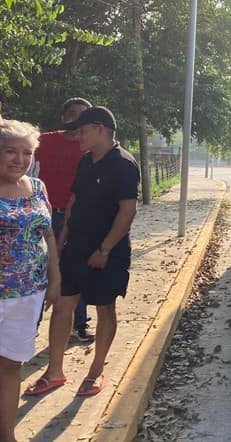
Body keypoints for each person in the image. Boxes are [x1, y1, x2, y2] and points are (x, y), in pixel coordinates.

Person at [25, 107, 139, 398]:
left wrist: (104, 249)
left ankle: (96, 370)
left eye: (83, 130)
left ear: (100, 129)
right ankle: (54, 372)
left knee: (104, 307)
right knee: (63, 305)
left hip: (106, 253)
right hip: (75, 247)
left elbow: (127, 211)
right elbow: (74, 200)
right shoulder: (86, 161)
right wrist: (62, 240)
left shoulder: (123, 164)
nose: (77, 137)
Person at [0, 120, 60, 442]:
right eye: (10, 151)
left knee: (11, 366)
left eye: (26, 153)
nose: (19, 160)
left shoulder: (37, 188)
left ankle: (7, 434)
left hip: (26, 296)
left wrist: (55, 278)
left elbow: (47, 234)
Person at [35, 97, 94, 342]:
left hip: (77, 217)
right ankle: (31, 325)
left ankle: (78, 325)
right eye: (72, 114)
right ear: (63, 117)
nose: (76, 120)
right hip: (45, 216)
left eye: (82, 116)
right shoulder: (44, 142)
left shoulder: (88, 147)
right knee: (39, 270)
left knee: (75, 270)